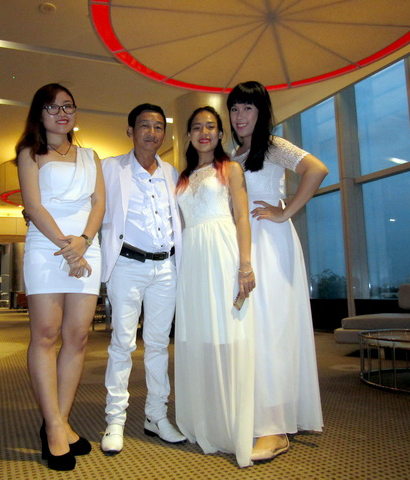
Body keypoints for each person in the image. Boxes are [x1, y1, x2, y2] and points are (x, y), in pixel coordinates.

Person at [227, 81, 327, 462]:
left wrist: (285, 212)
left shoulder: (272, 146)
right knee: (252, 330)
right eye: (235, 108)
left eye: (248, 108)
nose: (240, 116)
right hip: (245, 246)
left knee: (272, 329)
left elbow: (316, 169)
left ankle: (275, 428)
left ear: (262, 112)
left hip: (271, 242)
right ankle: (258, 414)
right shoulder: (235, 154)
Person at [16, 83, 105, 471]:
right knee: (46, 334)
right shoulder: (29, 153)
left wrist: (83, 241)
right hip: (46, 246)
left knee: (78, 336)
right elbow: (33, 207)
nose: (62, 113)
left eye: (68, 106)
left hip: (86, 245)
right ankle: (53, 427)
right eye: (52, 107)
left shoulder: (91, 155)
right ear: (40, 114)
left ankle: (61, 421)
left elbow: (99, 203)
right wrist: (67, 247)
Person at [100, 104, 186, 454]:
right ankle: (115, 420)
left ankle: (156, 415)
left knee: (158, 344)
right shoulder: (110, 168)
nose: (152, 133)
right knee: (122, 343)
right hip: (127, 265)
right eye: (145, 126)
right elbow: (89, 204)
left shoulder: (172, 172)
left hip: (166, 268)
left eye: (158, 127)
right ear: (130, 131)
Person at [174, 106, 256, 468]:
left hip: (222, 253)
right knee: (199, 336)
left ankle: (231, 423)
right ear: (189, 135)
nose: (204, 132)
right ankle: (204, 419)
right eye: (197, 127)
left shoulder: (230, 169)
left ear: (221, 134)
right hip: (192, 258)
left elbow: (242, 217)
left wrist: (245, 264)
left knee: (226, 334)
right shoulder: (183, 177)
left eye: (210, 127)